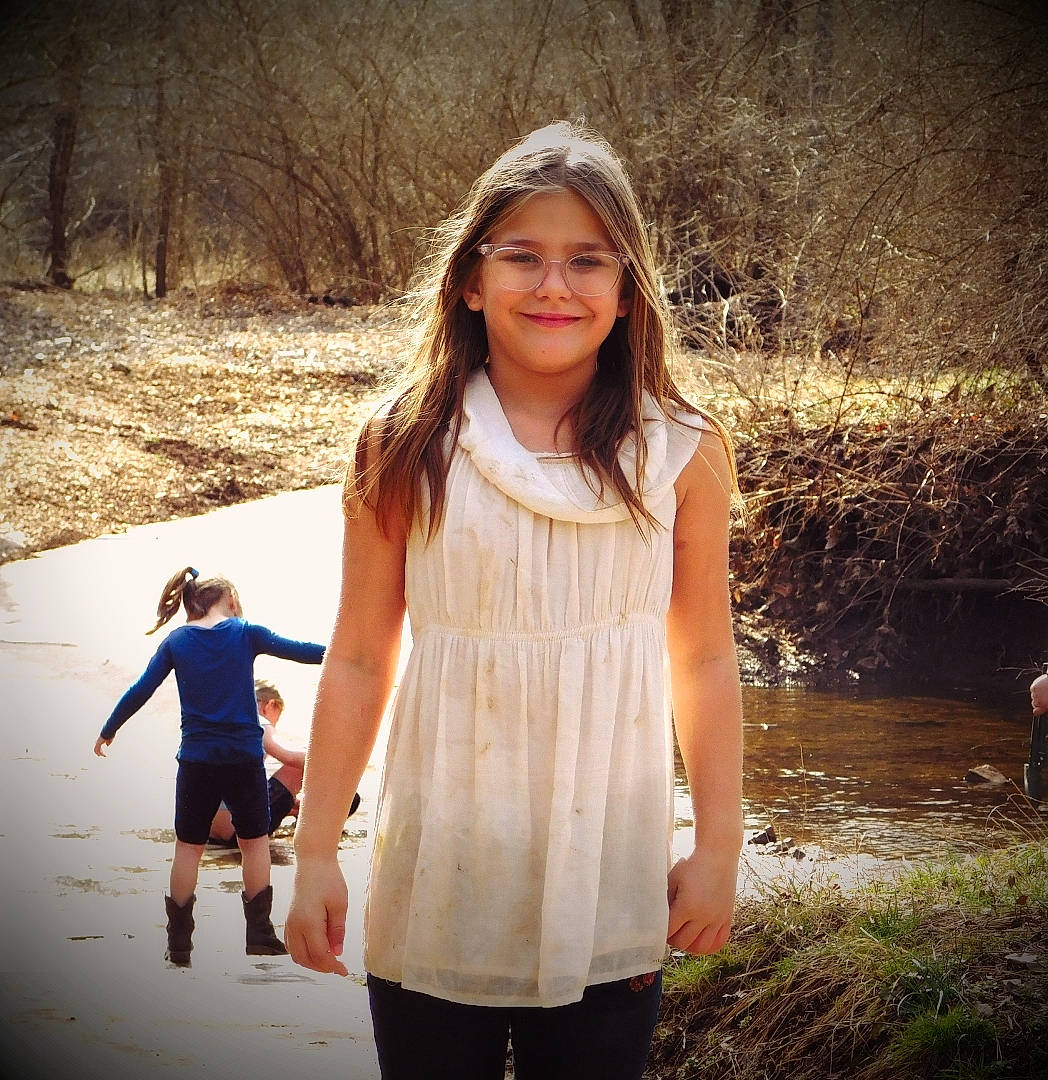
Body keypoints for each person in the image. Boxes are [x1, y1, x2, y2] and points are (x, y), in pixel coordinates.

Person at [285, 121, 744, 1080]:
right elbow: (364, 654)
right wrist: (318, 849)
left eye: (587, 260)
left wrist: (717, 844)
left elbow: (700, 656)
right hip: (440, 872)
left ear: (626, 290)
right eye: (522, 257)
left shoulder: (683, 452)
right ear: (469, 277)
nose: (554, 286)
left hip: (610, 877)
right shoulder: (404, 440)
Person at [93, 567, 325, 965]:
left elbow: (141, 689)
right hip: (242, 759)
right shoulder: (246, 631)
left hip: (197, 760)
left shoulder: (177, 641)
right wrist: (347, 649)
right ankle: (260, 935)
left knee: (187, 849)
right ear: (231, 600)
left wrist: (109, 729)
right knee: (253, 845)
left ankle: (179, 946)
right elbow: (301, 649)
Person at [208, 679, 360, 845]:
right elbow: (288, 756)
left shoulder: (224, 722)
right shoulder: (260, 722)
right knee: (298, 765)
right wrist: (334, 770)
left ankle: (307, 812)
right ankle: (319, 828)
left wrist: (289, 806)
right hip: (239, 830)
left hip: (210, 830)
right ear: (270, 705)